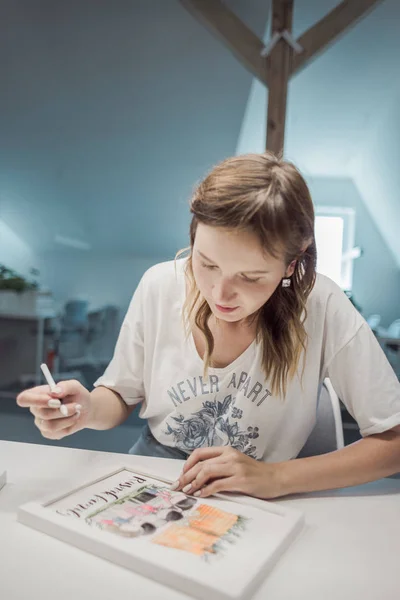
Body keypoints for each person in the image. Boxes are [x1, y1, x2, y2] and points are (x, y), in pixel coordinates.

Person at [17, 152, 400, 500]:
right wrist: (85, 409)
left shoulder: (322, 304)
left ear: (291, 264)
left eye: (250, 277)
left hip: (264, 485)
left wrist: (276, 478)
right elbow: (119, 397)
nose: (221, 293)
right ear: (194, 234)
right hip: (159, 470)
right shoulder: (159, 284)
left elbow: (394, 441)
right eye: (207, 263)